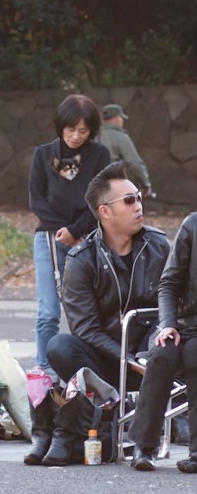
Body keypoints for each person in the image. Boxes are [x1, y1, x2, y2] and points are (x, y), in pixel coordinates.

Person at [47, 163, 169, 391]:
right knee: (59, 346)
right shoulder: (81, 260)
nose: (138, 206)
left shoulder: (159, 245)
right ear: (105, 211)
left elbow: (176, 302)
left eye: (139, 198)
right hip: (107, 361)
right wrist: (130, 361)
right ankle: (105, 410)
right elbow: (86, 329)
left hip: (155, 353)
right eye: (129, 200)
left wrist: (152, 351)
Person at [28, 94, 110, 378]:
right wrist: (61, 229)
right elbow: (36, 199)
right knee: (48, 311)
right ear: (61, 126)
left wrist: (75, 231)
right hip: (49, 240)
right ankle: (44, 368)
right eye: (71, 129)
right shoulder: (44, 154)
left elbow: (101, 199)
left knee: (88, 311)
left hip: (88, 240)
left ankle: (87, 367)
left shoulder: (99, 155)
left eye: (83, 131)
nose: (76, 136)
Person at [128, 211, 197, 473]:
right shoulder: (192, 224)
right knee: (161, 355)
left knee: (194, 356)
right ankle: (143, 447)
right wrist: (168, 322)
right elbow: (168, 283)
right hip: (183, 324)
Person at [98, 103, 154, 198]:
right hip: (112, 184)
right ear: (117, 118)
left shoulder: (93, 135)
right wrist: (146, 184)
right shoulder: (121, 137)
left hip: (92, 185)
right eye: (121, 118)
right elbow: (135, 163)